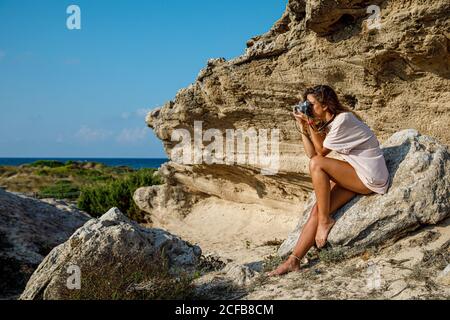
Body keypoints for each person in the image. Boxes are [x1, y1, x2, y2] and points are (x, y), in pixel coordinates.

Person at [267, 85, 390, 277]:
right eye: (306, 104)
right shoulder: (329, 124)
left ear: (325, 105)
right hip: (358, 173)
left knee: (318, 168)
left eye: (312, 104)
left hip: (370, 176)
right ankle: (293, 260)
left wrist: (310, 122)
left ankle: (325, 221)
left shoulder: (343, 120)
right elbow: (311, 153)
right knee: (317, 208)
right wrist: (303, 127)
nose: (308, 107)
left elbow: (320, 154)